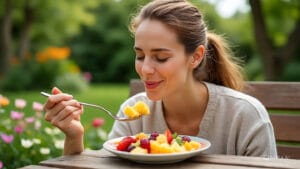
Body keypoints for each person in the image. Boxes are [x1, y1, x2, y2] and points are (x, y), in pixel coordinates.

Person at [43, 0, 277, 158]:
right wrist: (74, 136)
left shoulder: (245, 116)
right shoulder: (132, 112)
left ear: (195, 57)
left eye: (161, 58)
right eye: (140, 55)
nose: (145, 69)